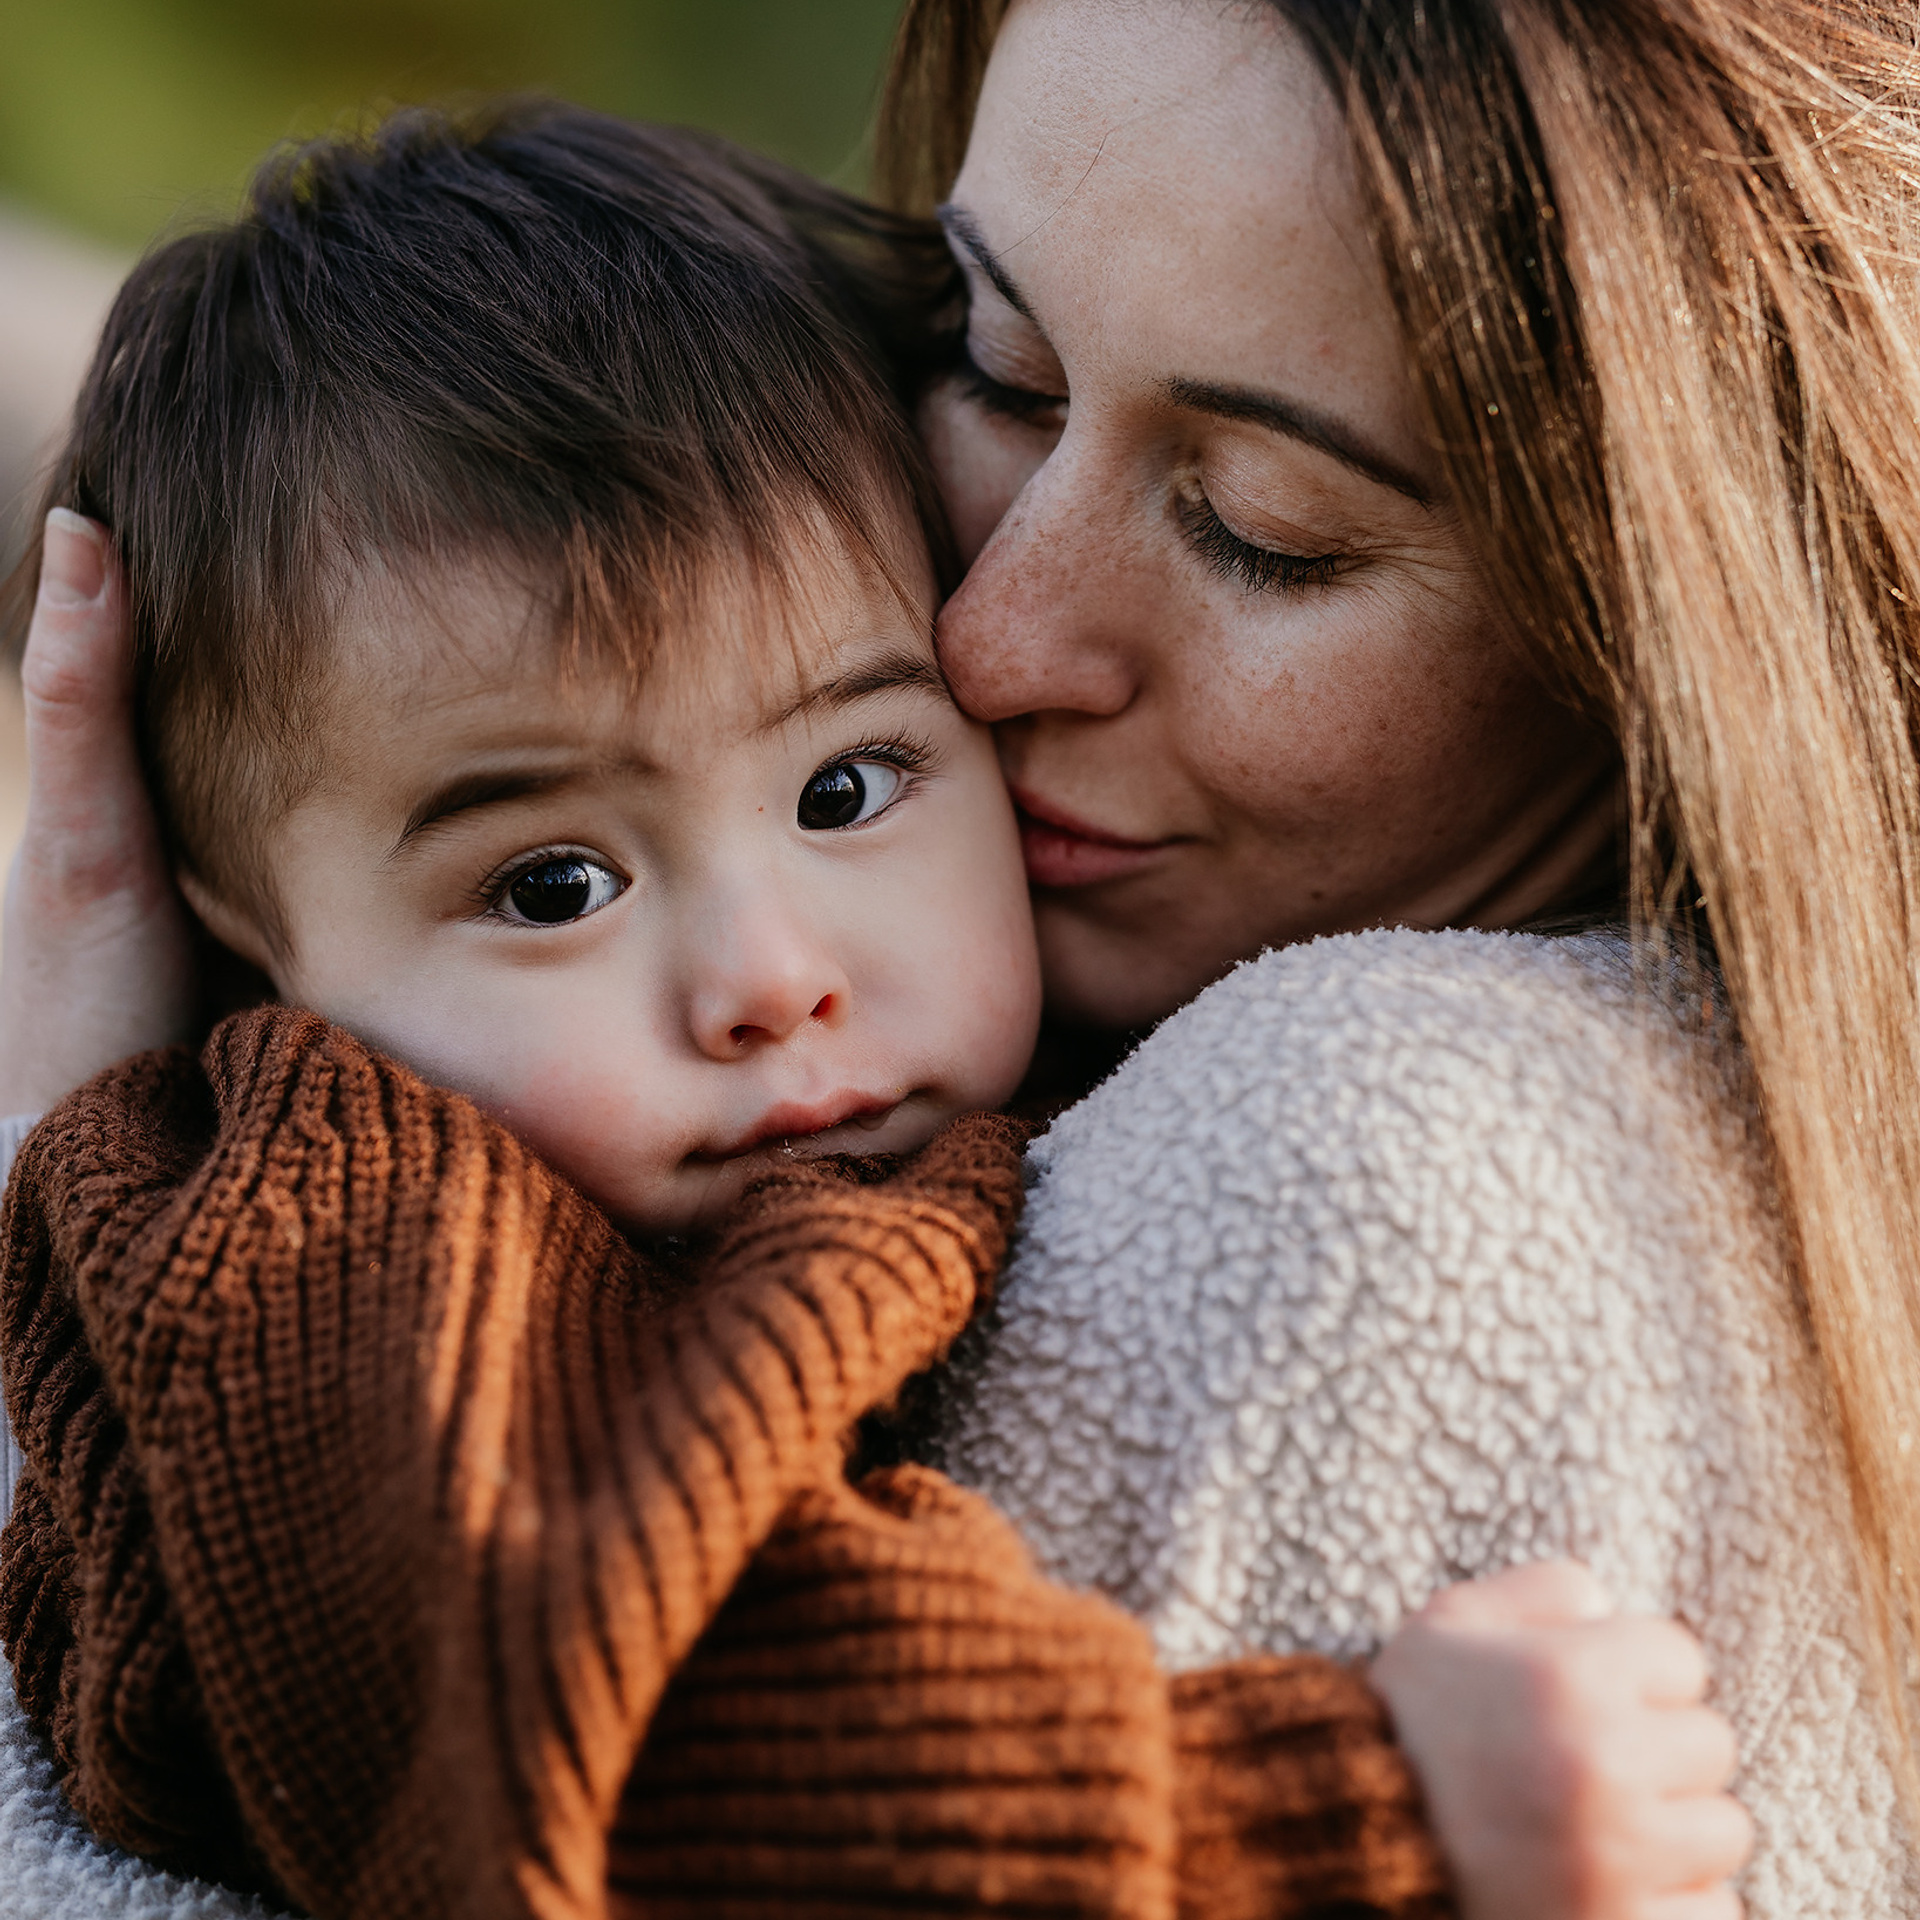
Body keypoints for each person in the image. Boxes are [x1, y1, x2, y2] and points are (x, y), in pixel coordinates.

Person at [0, 101, 1739, 1920]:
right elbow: (547, 1733)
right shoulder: (346, 1233)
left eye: (847, 789)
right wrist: (1350, 1805)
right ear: (256, 941)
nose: (770, 975)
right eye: (552, 887)